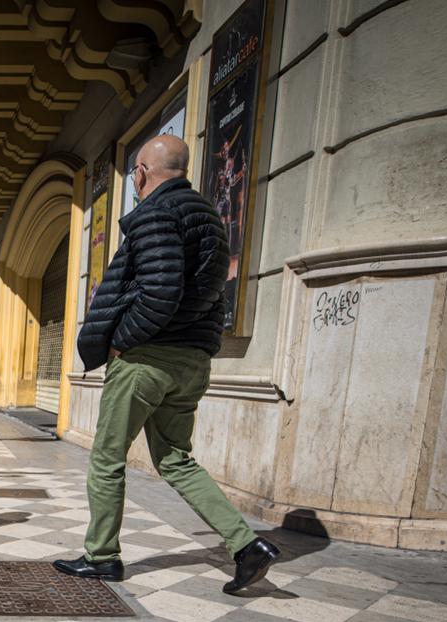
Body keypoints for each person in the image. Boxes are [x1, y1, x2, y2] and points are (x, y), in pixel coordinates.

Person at [54, 134, 279, 594]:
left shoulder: (157, 212)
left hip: (147, 360)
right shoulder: (211, 219)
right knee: (176, 460)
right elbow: (207, 291)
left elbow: (160, 289)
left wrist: (122, 341)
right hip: (192, 360)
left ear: (141, 173)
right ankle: (247, 546)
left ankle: (101, 557)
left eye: (135, 176)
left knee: (107, 458)